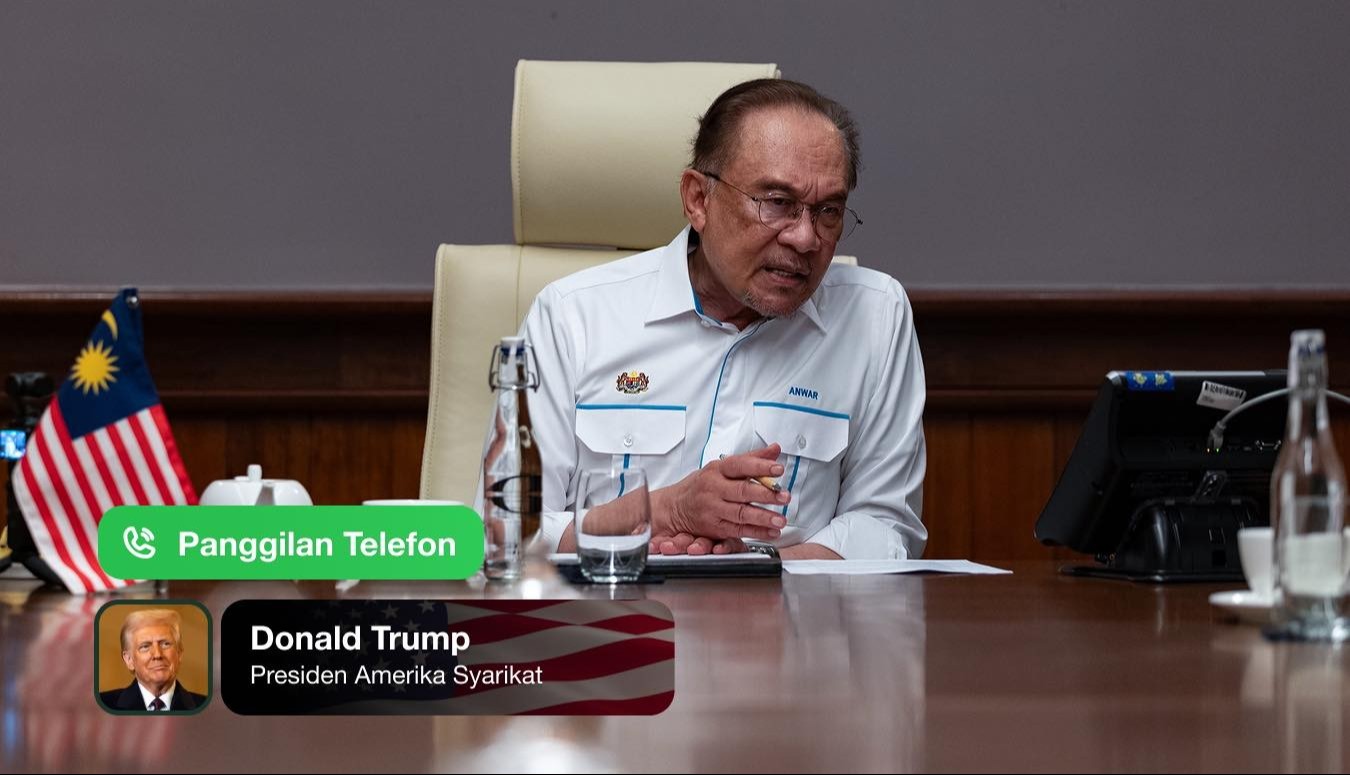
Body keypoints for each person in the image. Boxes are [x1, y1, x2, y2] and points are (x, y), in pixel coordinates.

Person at [517, 79, 926, 560]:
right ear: (698, 199)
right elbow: (514, 529)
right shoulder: (573, 316)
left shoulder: (875, 317)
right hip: (615, 603)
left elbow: (885, 528)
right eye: (777, 203)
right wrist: (668, 510)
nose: (805, 238)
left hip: (790, 605)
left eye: (828, 211)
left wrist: (751, 571)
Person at [100, 609, 206, 712]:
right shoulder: (103, 705)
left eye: (165, 644)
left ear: (179, 653)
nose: (157, 654)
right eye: (145, 646)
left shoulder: (205, 706)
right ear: (129, 660)